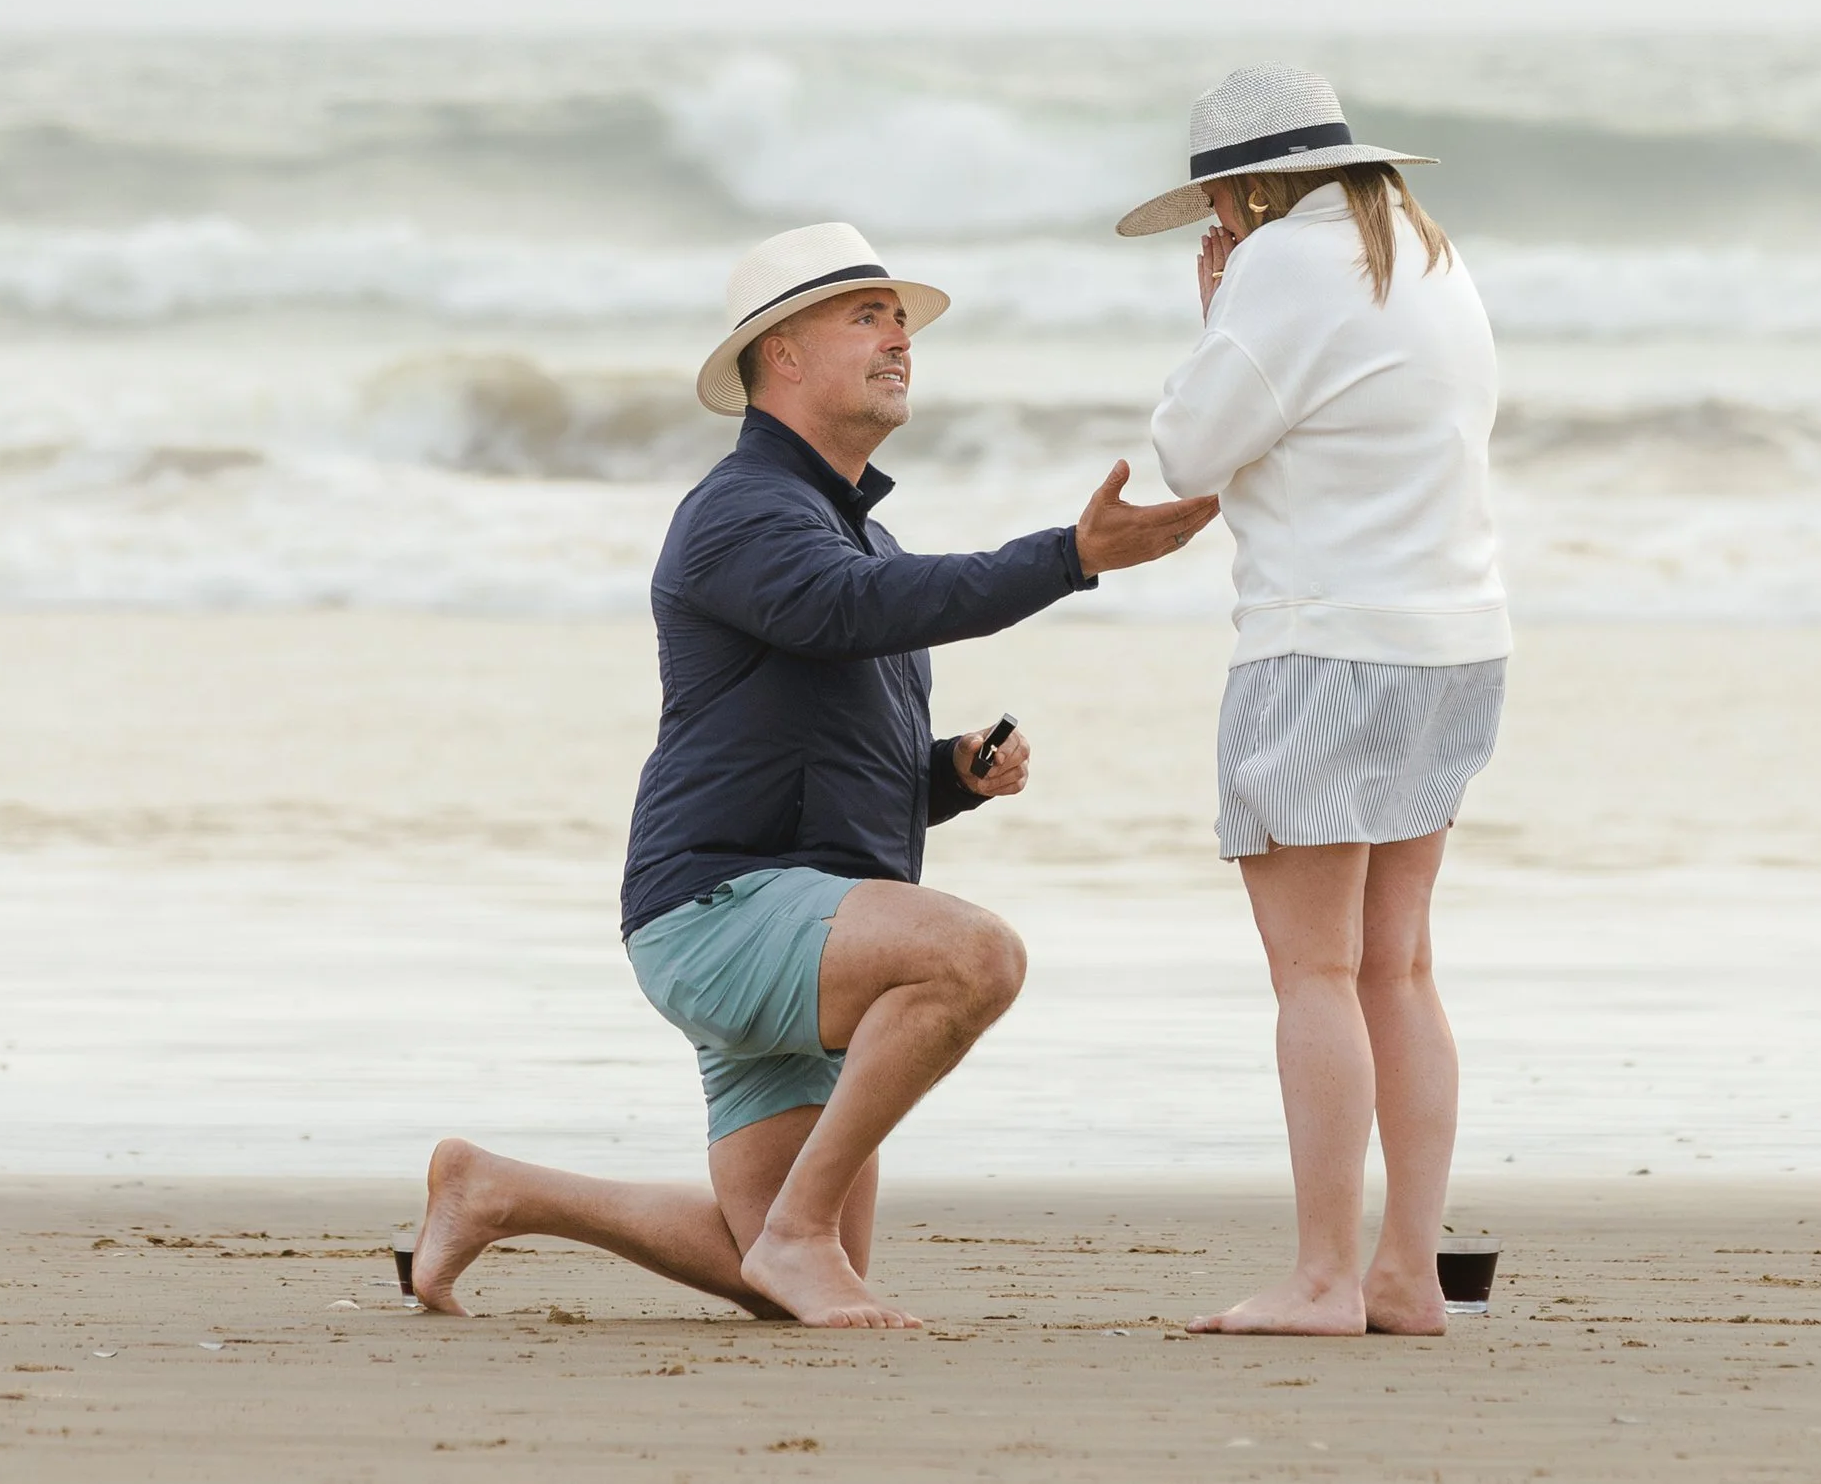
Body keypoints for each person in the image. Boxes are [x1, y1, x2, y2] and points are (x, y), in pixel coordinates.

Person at [410, 222, 1217, 1329]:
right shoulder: (741, 511)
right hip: (723, 906)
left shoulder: (859, 540)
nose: (899, 338)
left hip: (799, 920)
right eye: (867, 314)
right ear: (780, 352)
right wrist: (1066, 557)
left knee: (790, 1271)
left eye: (901, 319)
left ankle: (496, 1189)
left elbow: (837, 731)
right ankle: (793, 1229)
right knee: (974, 955)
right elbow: (846, 612)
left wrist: (948, 775)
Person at [1120, 65, 1509, 1336]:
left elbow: (1185, 446)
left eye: (1215, 211)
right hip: (1454, 640)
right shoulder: (1425, 253)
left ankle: (1321, 1277)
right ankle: (1402, 1271)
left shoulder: (1283, 263)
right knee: (1397, 967)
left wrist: (1213, 311)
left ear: (1236, 191)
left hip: (1324, 645)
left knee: (1313, 972)